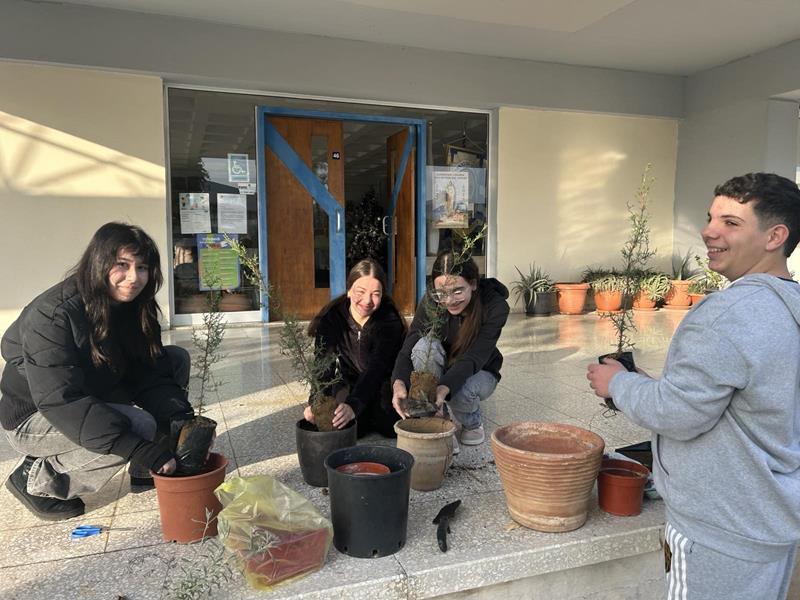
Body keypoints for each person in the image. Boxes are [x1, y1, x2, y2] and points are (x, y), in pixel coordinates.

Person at [587, 172, 800, 600]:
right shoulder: (788, 306)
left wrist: (619, 384)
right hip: (770, 519)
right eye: (710, 218)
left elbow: (677, 415)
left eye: (731, 223)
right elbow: (743, 402)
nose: (708, 231)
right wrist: (652, 385)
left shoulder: (726, 314)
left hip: (719, 531)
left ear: (775, 236)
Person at [1, 222, 192, 521]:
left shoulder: (135, 305)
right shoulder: (53, 316)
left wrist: (181, 419)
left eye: (142, 267)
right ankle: (36, 479)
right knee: (137, 426)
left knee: (176, 359)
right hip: (36, 415)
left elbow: (149, 371)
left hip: (93, 390)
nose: (134, 278)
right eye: (122, 265)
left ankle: (146, 469)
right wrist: (135, 446)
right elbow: (61, 401)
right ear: (98, 263)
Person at [391, 248, 509, 449]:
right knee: (423, 346)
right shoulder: (432, 301)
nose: (449, 300)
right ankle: (440, 420)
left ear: (473, 284)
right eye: (442, 293)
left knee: (461, 391)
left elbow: (474, 357)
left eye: (458, 291)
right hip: (445, 363)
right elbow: (409, 344)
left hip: (481, 369)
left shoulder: (495, 306)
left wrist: (444, 387)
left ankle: (472, 421)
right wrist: (398, 381)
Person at [304, 259, 405, 437]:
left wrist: (354, 404)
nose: (367, 300)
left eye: (376, 294)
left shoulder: (389, 320)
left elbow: (377, 367)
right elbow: (323, 365)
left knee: (390, 425)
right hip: (349, 380)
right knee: (343, 424)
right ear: (349, 290)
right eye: (361, 292)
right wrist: (316, 402)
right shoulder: (332, 318)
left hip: (383, 380)